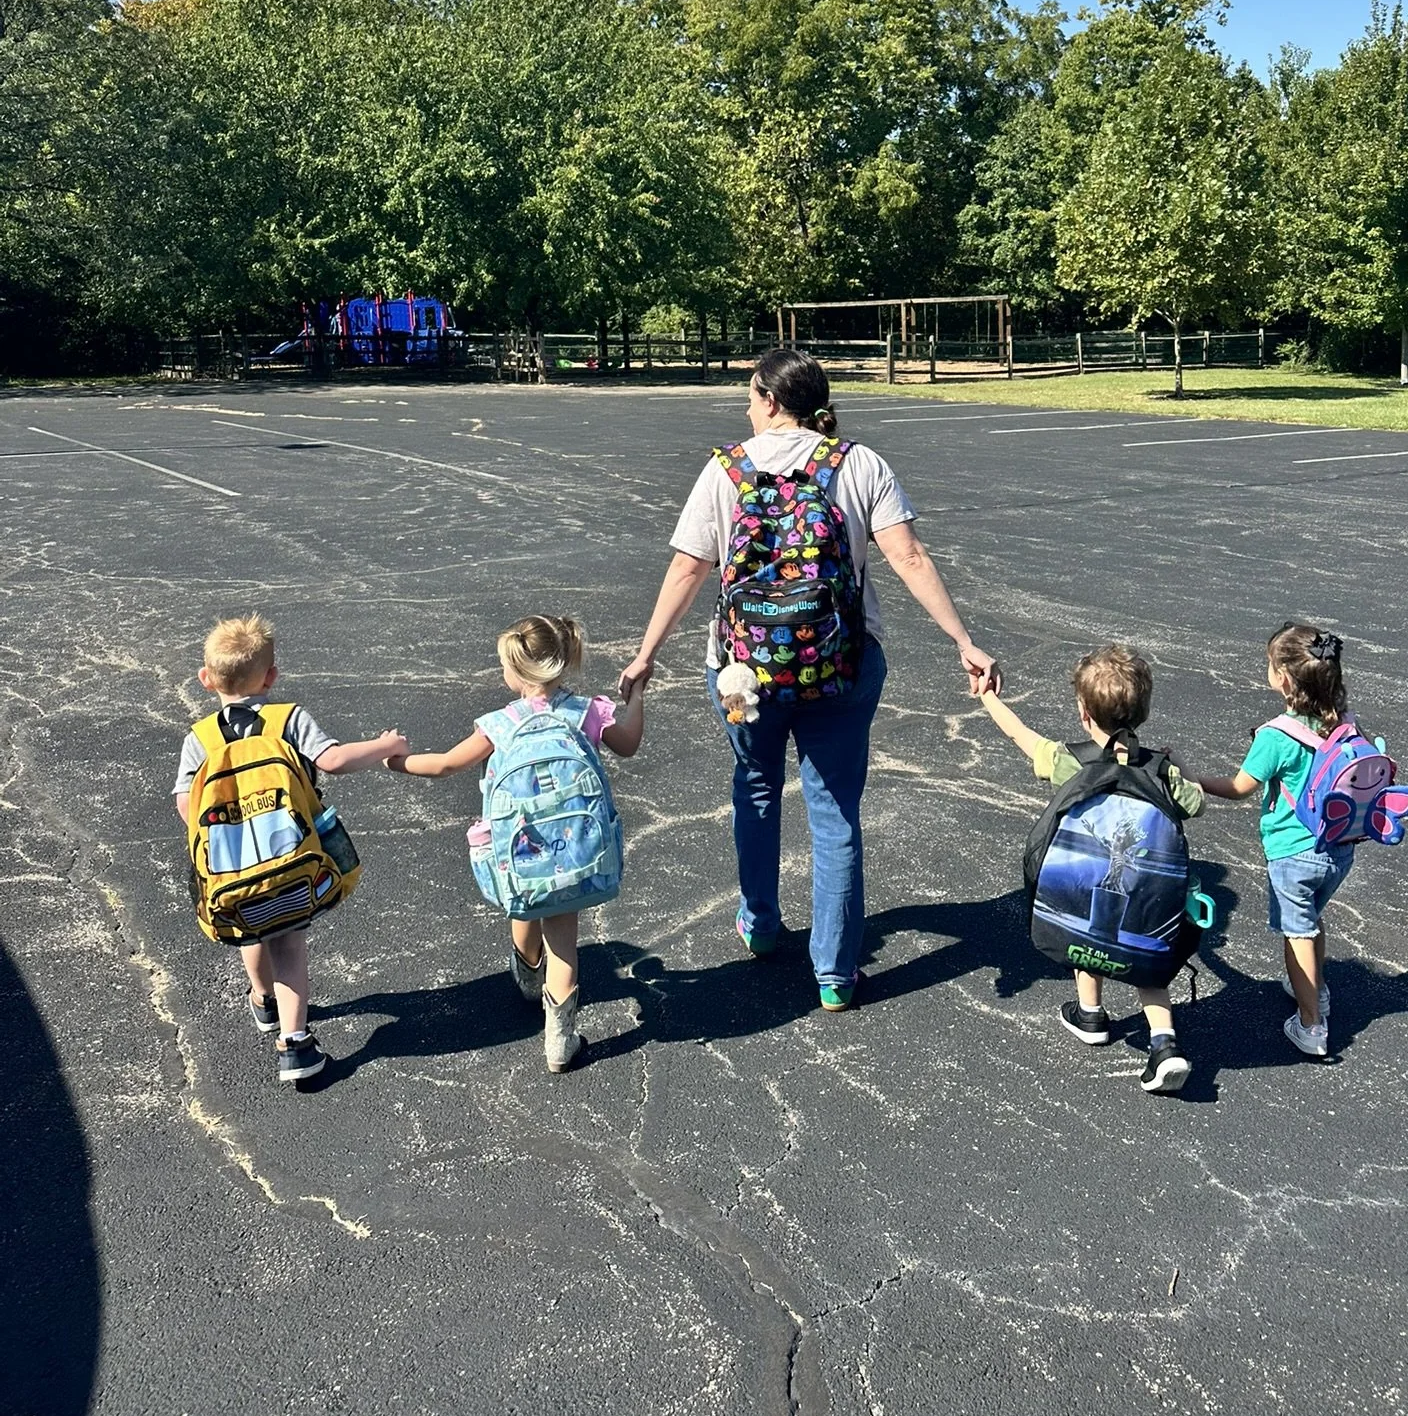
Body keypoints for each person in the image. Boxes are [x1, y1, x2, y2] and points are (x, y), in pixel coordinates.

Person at [618, 347, 999, 1012]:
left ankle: (761, 923)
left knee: (757, 788)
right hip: (841, 665)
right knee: (834, 811)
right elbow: (907, 556)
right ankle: (834, 973)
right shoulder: (858, 463)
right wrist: (962, 640)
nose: (746, 406)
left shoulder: (724, 471)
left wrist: (647, 653)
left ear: (769, 399)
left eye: (749, 395)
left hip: (742, 671)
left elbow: (688, 570)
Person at [387, 616, 644, 1071]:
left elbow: (446, 764)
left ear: (520, 672)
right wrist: (637, 697)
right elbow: (628, 744)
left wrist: (398, 762)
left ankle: (528, 974)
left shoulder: (500, 723)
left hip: (523, 849)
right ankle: (560, 1041)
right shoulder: (584, 712)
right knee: (564, 940)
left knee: (524, 906)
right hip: (574, 850)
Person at [173, 614, 406, 1086]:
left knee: (253, 930)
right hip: (293, 858)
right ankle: (295, 1045)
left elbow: (186, 804)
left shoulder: (200, 739)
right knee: (290, 943)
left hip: (232, 867)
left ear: (206, 679)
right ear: (271, 677)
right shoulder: (287, 718)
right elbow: (333, 761)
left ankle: (263, 1001)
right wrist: (385, 745)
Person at [980, 646, 1201, 1093]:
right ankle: (1164, 1045)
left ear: (1084, 713)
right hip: (1145, 893)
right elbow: (1195, 802)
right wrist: (1176, 766)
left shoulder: (1071, 759)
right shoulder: (1159, 768)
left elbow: (1020, 736)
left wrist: (988, 698)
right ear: (1144, 711)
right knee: (1150, 964)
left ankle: (1091, 1016)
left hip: (1086, 882)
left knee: (1087, 934)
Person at [1196, 623, 1356, 1059]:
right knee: (1312, 920)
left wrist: (1193, 778)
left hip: (1293, 854)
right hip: (1338, 848)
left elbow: (1238, 787)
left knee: (1297, 933)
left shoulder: (1276, 737)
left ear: (1283, 677)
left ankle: (1311, 1025)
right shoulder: (1342, 722)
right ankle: (1315, 991)